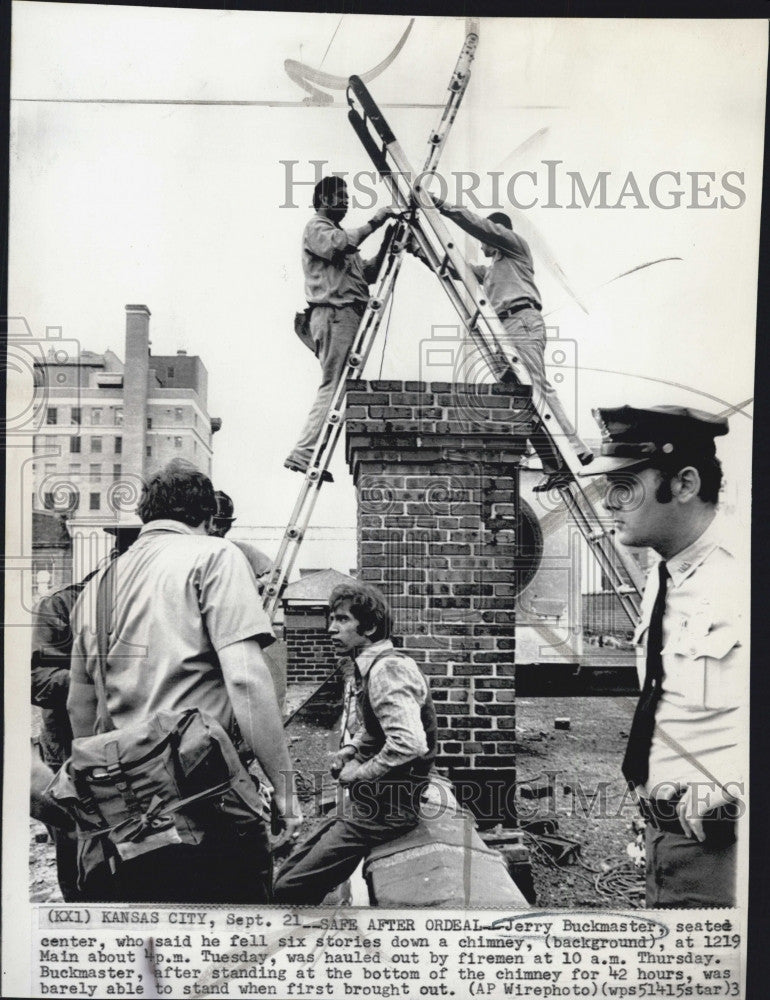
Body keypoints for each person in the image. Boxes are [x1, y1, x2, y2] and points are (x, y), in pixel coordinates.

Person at [67, 461, 302, 902]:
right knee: (234, 945)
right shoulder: (214, 555)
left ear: (147, 517)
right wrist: (286, 796)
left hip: (130, 804)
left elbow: (80, 712)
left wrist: (108, 795)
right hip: (204, 795)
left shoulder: (95, 587)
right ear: (207, 518)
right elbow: (248, 682)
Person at [579, 405, 744, 907]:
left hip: (724, 851)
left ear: (686, 483)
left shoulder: (745, 575)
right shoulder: (662, 574)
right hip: (664, 833)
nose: (609, 502)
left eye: (625, 484)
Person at [273, 581, 436, 904]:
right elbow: (379, 728)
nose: (331, 629)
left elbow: (410, 743)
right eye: (331, 619)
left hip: (387, 811)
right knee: (287, 870)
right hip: (371, 804)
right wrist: (350, 749)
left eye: (342, 620)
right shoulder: (374, 665)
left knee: (288, 890)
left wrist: (358, 773)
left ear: (371, 626)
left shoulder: (387, 669)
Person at [416, 199, 592, 490]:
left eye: (485, 240)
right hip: (506, 330)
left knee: (536, 386)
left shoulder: (515, 248)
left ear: (498, 234)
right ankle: (554, 465)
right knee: (520, 400)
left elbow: (480, 226)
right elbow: (459, 269)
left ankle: (575, 448)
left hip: (522, 321)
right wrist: (420, 252)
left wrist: (441, 206)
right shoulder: (495, 270)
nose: (481, 245)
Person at [30, 524, 140, 900]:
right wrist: (94, 677)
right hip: (71, 752)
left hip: (131, 754)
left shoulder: (143, 605)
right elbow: (38, 679)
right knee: (78, 846)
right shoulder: (63, 605)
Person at [284, 176, 393, 481]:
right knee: (334, 385)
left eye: (346, 197)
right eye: (339, 197)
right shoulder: (318, 228)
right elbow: (343, 245)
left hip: (346, 315)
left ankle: (308, 452)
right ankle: (304, 453)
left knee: (339, 385)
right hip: (335, 314)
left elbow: (367, 275)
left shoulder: (341, 236)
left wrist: (386, 242)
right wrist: (377, 222)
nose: (345, 202)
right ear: (323, 200)